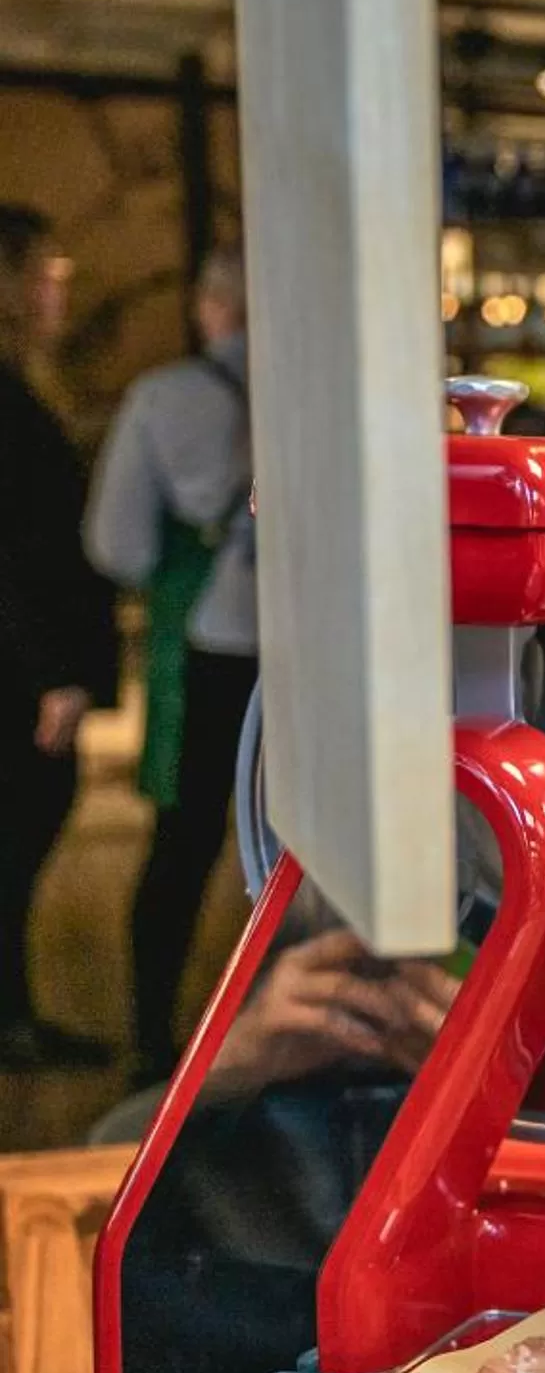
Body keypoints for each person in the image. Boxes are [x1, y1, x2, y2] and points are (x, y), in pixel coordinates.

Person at [87, 246, 257, 1082]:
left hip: (208, 649)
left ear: (211, 308)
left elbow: (117, 545)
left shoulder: (164, 399)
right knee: (298, 849)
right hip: (314, 658)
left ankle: (154, 1040)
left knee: (182, 847)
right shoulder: (326, 398)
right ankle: (280, 1030)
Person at [0, 204, 119, 1071]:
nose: (58, 290)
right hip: (20, 670)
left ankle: (16, 1018)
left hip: (27, 661)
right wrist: (52, 673)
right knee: (19, 836)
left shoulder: (21, 383)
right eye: (46, 272)